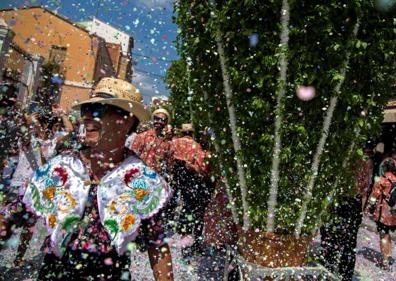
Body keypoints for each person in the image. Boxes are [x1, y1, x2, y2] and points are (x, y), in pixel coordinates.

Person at [0, 77, 174, 280]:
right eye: (86, 110)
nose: (87, 118)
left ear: (126, 121)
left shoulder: (141, 179)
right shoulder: (62, 168)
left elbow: (157, 245)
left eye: (99, 110)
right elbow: (14, 215)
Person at [320, 142, 374, 280]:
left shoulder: (340, 158)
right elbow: (365, 189)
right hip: (352, 202)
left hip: (340, 201)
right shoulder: (365, 162)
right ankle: (344, 275)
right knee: (348, 243)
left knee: (331, 238)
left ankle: (328, 271)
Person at [170, 123, 212, 255]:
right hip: (193, 183)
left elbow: (168, 160)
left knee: (183, 212)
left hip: (177, 181)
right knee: (197, 214)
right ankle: (195, 245)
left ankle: (185, 245)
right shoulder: (196, 146)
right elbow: (202, 169)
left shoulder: (174, 143)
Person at [366, 157, 396, 270]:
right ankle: (388, 256)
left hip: (383, 214)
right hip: (394, 214)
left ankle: (385, 260)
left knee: (383, 235)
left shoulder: (381, 180)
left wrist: (369, 207)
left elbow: (374, 196)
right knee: (388, 235)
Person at [131, 108, 173, 177]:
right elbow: (132, 157)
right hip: (140, 175)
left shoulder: (166, 142)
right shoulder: (142, 136)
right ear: (153, 120)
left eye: (162, 120)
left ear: (166, 123)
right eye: (156, 118)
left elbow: (168, 162)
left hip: (156, 178)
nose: (159, 122)